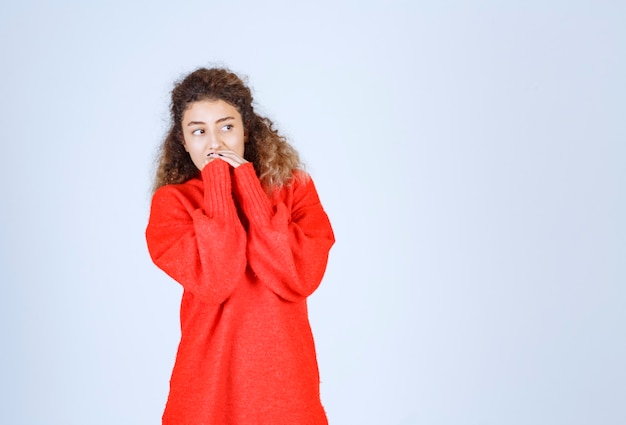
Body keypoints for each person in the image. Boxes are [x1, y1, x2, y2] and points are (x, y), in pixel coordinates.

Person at [145, 67, 335, 424]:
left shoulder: (294, 188)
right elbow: (216, 280)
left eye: (226, 126)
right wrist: (218, 180)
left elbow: (296, 275)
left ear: (246, 129)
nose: (214, 143)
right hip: (209, 384)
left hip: (285, 383)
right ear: (183, 142)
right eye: (198, 131)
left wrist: (248, 185)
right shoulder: (172, 204)